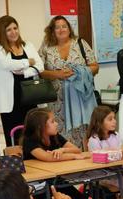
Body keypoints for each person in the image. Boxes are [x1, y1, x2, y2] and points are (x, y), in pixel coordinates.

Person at [38, 15, 99, 149]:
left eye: (64, 26)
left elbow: (95, 67)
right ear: (52, 30)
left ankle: (84, 165)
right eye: (57, 27)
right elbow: (39, 71)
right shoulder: (46, 47)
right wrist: (57, 74)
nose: (61, 30)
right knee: (59, 134)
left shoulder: (80, 43)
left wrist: (81, 73)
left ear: (69, 28)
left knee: (82, 133)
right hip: (57, 103)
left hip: (80, 100)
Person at [0, 15, 44, 147]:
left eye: (15, 28)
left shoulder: (28, 45)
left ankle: (34, 163)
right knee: (14, 135)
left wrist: (24, 72)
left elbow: (40, 66)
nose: (13, 32)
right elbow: (6, 64)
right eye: (9, 30)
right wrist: (28, 62)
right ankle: (15, 165)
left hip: (30, 96)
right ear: (2, 32)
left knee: (33, 134)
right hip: (10, 100)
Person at [20, 108, 87, 161]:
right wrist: (73, 156)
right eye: (52, 122)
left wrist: (62, 150)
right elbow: (48, 157)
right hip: (38, 176)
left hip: (55, 171)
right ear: (40, 126)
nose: (56, 124)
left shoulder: (55, 136)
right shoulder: (29, 140)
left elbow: (77, 150)